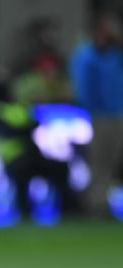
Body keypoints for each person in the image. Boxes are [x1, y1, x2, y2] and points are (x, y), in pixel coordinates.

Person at [70, 12, 123, 218]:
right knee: (99, 160)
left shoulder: (114, 54)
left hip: (117, 112)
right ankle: (95, 204)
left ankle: (102, 199)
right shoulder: (87, 55)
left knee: (112, 160)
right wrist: (91, 108)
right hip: (100, 115)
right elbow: (83, 87)